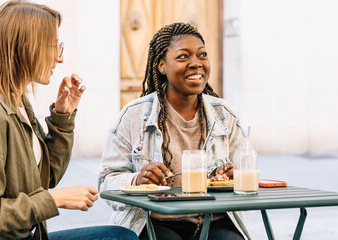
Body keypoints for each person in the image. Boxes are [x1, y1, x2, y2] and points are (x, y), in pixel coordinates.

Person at [0, 1, 138, 240]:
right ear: (25, 47)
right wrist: (55, 199)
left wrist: (62, 118)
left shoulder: (18, 105)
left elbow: (44, 178)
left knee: (119, 235)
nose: (59, 59)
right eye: (54, 46)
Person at [99, 22, 253, 239]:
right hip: (154, 222)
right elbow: (106, 184)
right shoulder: (134, 115)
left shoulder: (224, 115)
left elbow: (245, 173)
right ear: (161, 65)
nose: (195, 63)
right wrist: (136, 180)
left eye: (202, 55)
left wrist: (233, 177)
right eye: (183, 57)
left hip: (214, 221)